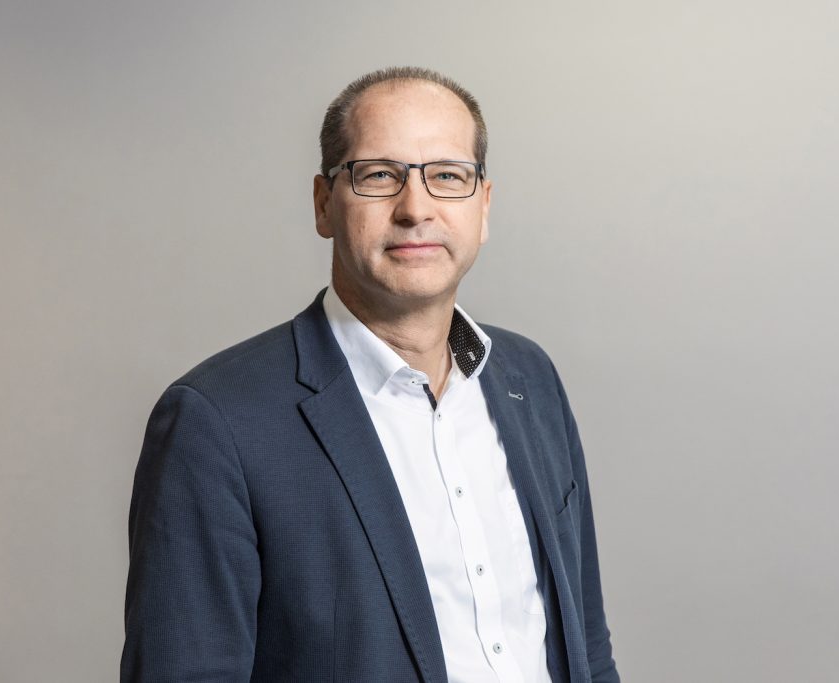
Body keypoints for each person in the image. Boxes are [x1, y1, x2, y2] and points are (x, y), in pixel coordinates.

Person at [122, 66, 620, 683]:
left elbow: (586, 645)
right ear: (323, 204)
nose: (416, 209)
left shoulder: (530, 380)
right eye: (380, 175)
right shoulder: (217, 422)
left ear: (483, 205)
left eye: (447, 176)